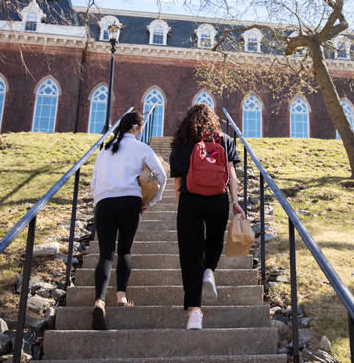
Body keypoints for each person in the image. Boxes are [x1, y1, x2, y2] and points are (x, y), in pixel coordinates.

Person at [169, 103, 246, 330]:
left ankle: (194, 313)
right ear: (213, 120)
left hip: (189, 199)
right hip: (218, 198)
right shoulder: (224, 140)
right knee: (214, 239)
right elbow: (231, 174)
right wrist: (235, 202)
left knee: (190, 254)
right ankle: (209, 271)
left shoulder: (183, 142)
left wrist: (181, 204)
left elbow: (177, 181)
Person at [90, 110, 167, 330]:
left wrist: (100, 200)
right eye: (141, 129)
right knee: (124, 251)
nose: (141, 132)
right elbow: (161, 176)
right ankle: (121, 296)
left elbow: (95, 182)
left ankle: (99, 301)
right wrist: (151, 202)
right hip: (130, 202)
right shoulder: (141, 148)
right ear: (135, 128)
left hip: (104, 203)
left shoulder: (105, 149)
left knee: (105, 254)